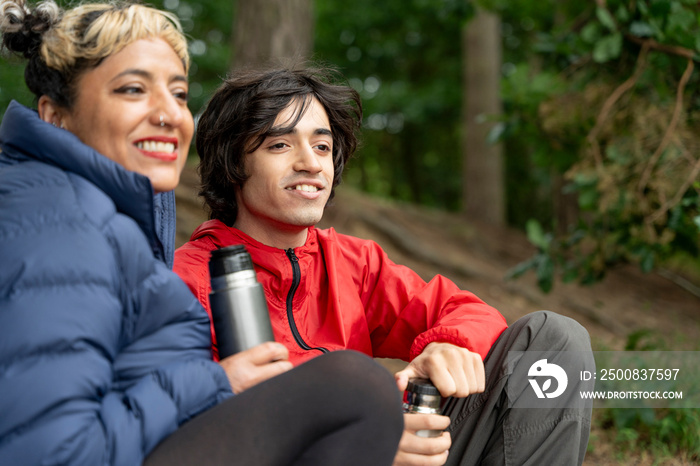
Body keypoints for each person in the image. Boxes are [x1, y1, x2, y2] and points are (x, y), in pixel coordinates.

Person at [0, 2, 404, 465]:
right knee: (352, 389)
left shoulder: (94, 214)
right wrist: (216, 383)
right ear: (55, 115)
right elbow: (48, 450)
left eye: (177, 93)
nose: (169, 113)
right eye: (133, 89)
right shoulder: (55, 227)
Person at [174, 65, 595, 466]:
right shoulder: (183, 281)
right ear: (233, 162)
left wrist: (448, 344)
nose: (311, 163)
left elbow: (469, 310)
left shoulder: (354, 263)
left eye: (322, 146)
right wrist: (357, 447)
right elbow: (194, 436)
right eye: (280, 144)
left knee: (554, 341)